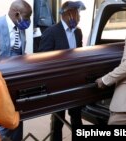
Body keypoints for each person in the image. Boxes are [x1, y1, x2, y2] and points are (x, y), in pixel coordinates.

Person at [0, 0, 32, 140]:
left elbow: (19, 52)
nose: (29, 21)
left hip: (16, 83)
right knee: (2, 122)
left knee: (16, 118)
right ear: (17, 14)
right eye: (27, 17)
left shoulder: (20, 27)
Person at [38, 1, 86, 140]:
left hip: (75, 81)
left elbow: (79, 52)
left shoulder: (78, 32)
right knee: (58, 118)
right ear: (68, 13)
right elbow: (43, 58)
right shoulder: (51, 32)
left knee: (76, 116)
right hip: (57, 83)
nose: (78, 18)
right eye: (77, 14)